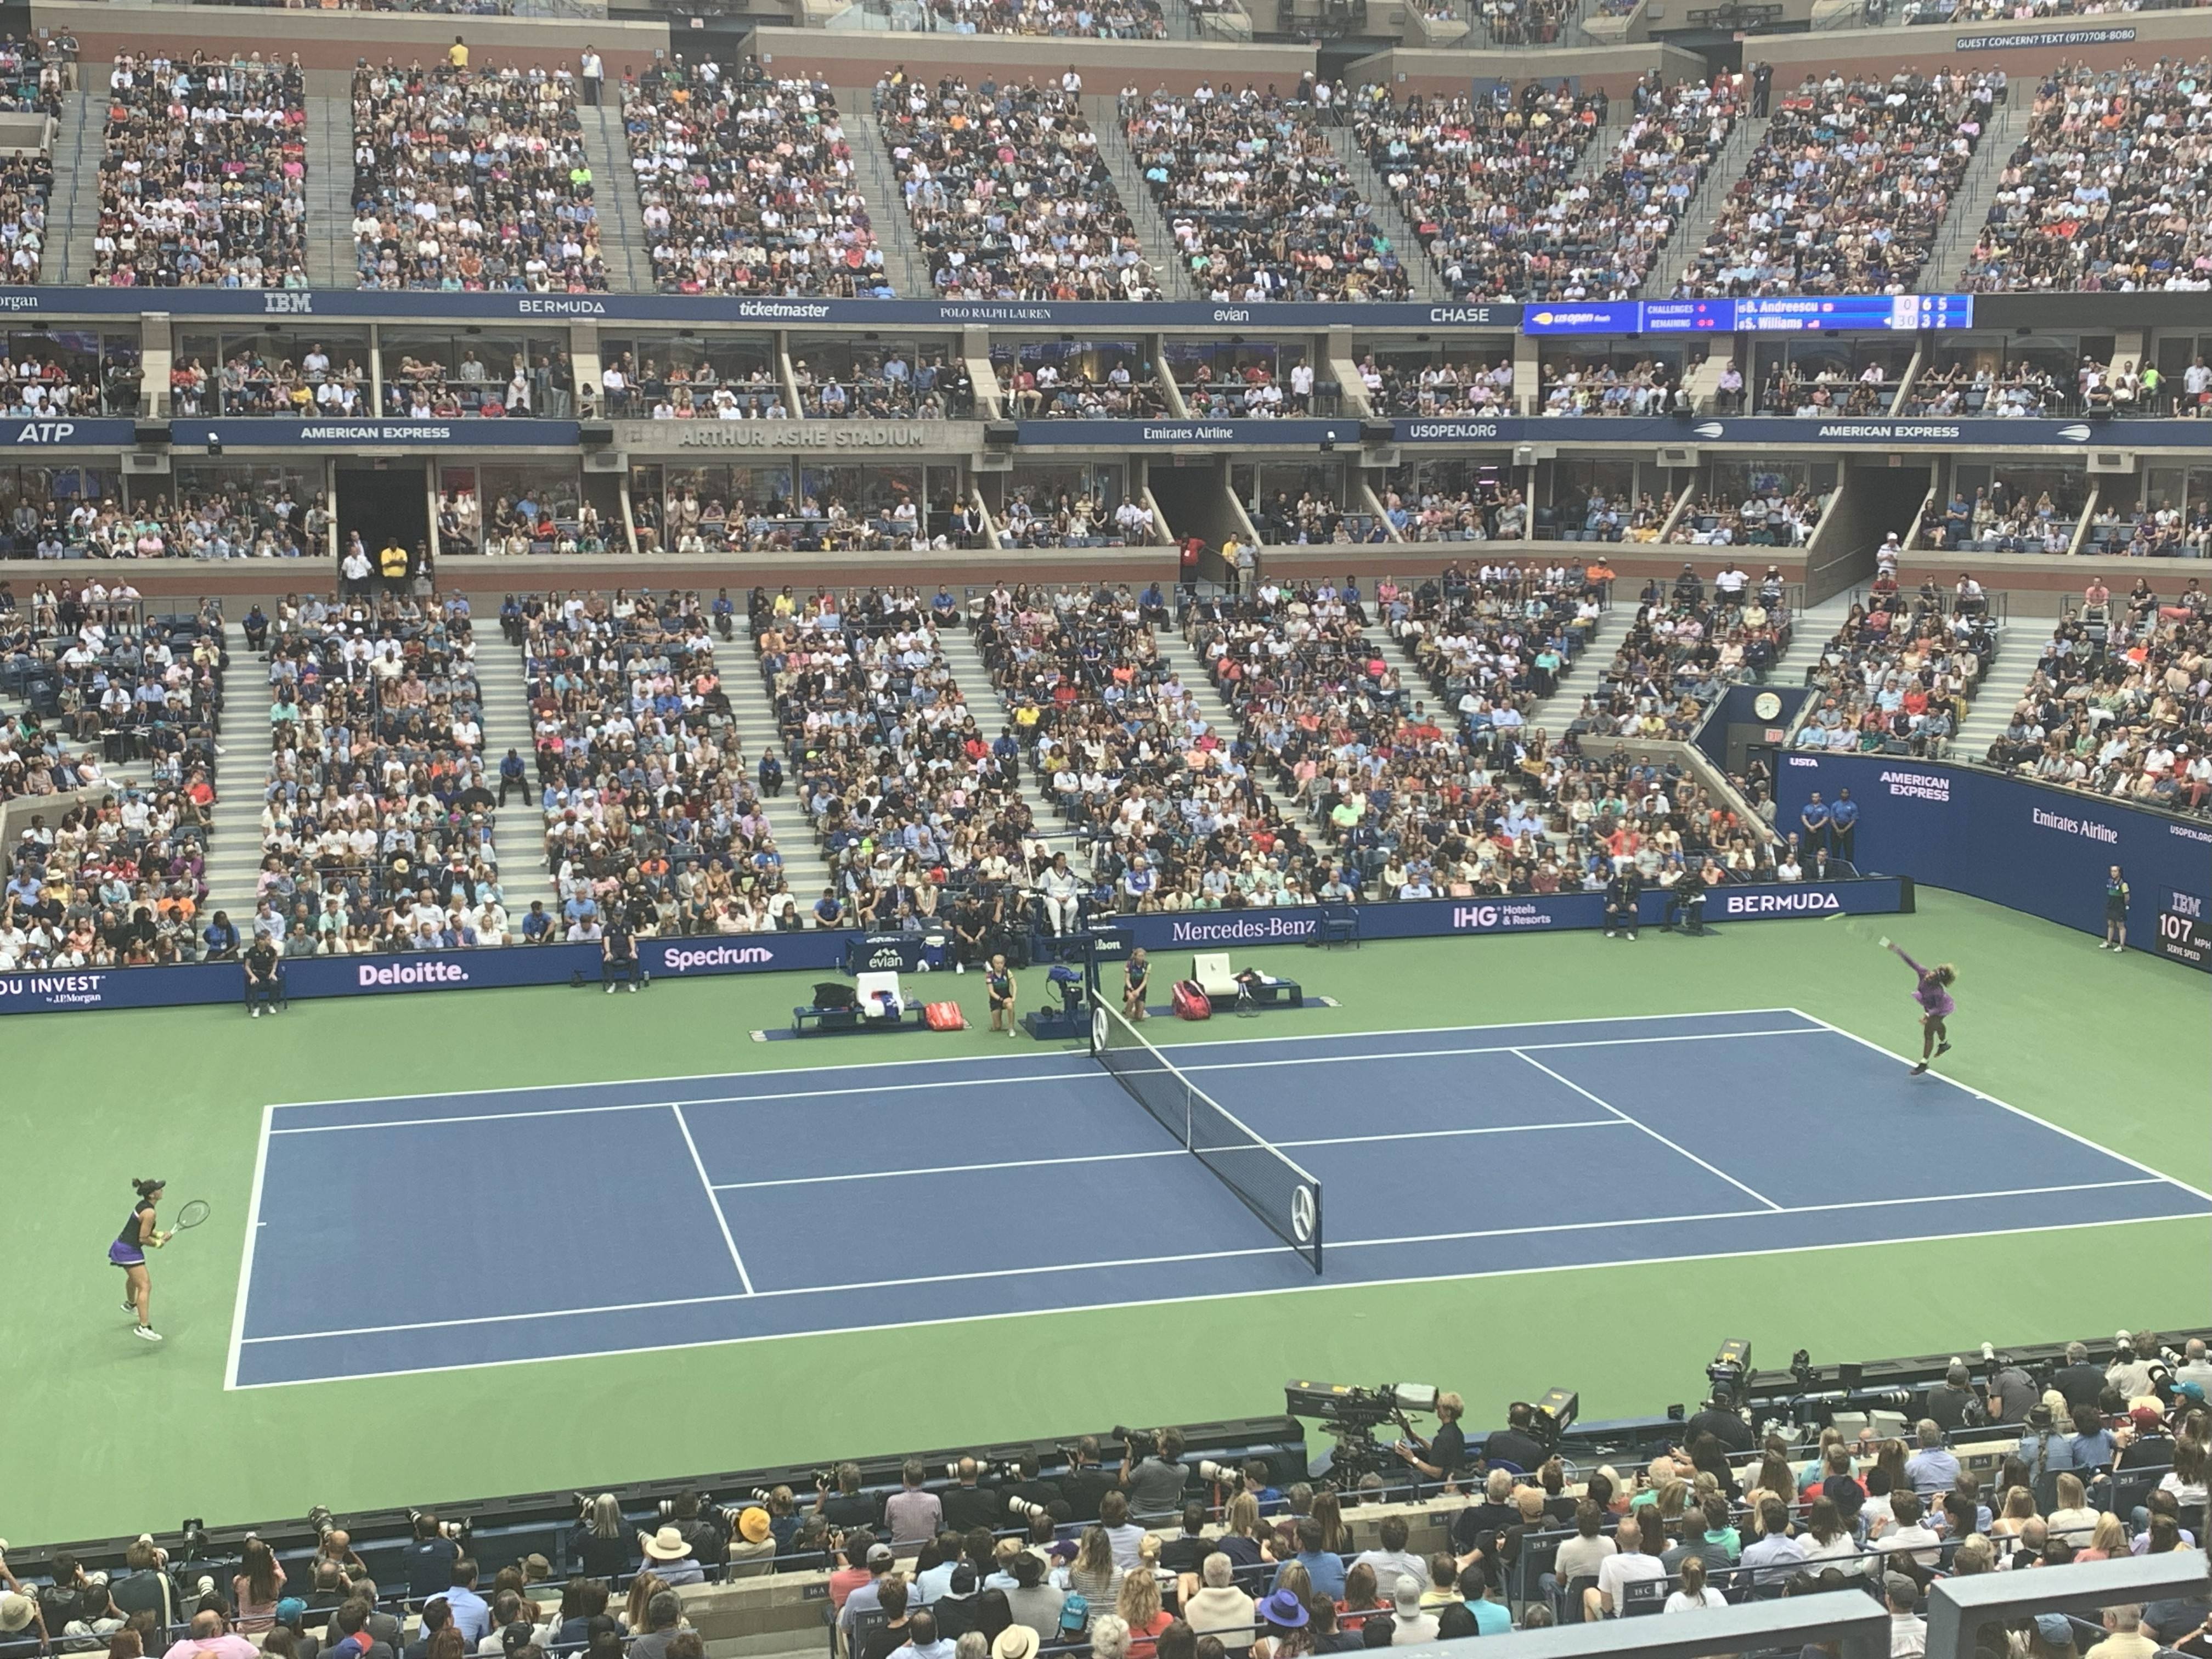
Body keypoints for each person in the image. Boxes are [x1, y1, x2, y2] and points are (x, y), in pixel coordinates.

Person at [1882, 938, 1956, 1075]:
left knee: (1929, 1032)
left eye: (1933, 977)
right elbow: (1911, 962)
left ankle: (1924, 1063)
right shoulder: (1923, 972)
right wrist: (1897, 949)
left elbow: (1938, 1009)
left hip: (1940, 1008)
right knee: (1937, 1025)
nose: (1929, 976)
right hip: (1930, 1004)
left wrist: (1928, 1015)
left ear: (1937, 981)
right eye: (1931, 972)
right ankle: (1944, 1043)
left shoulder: (1937, 992)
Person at [109, 1176, 168, 1342]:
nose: (161, 1190)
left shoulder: (144, 1207)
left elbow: (143, 1229)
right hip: (128, 1251)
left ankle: (130, 1305)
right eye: (158, 1188)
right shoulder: (150, 1212)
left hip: (123, 1246)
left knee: (135, 1279)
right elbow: (143, 1238)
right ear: (152, 1195)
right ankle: (144, 1327)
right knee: (145, 1285)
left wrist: (160, 1234)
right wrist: (158, 1243)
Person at [244, 929, 282, 1017]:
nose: (266, 941)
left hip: (268, 974)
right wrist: (252, 976)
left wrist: (273, 972)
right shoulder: (252, 951)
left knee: (274, 984)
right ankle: (256, 1007)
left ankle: (271, 1005)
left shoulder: (271, 950)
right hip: (256, 974)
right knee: (254, 985)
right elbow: (247, 966)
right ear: (258, 941)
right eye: (263, 939)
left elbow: (275, 961)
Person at [1603, 864, 1642, 940]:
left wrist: (1634, 903)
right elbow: (1611, 894)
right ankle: (1613, 930)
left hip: (1629, 903)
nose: (1628, 875)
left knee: (1634, 910)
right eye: (1626, 873)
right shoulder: (1616, 882)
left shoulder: (1635, 882)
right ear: (1623, 874)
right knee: (1612, 910)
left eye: (1629, 873)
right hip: (1618, 903)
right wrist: (1613, 903)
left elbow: (1638, 896)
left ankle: (1631, 932)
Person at [602, 919, 639, 992]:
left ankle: (632, 983)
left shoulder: (627, 925)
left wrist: (633, 951)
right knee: (608, 960)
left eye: (620, 915)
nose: (618, 917)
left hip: (625, 950)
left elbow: (631, 939)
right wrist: (608, 952)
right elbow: (606, 940)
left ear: (622, 916)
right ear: (613, 916)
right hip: (614, 950)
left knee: (634, 959)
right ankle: (612, 984)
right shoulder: (608, 926)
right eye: (616, 915)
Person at [984, 953, 1017, 1036]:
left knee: (1010, 1005)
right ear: (993, 964)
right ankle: (997, 1024)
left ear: (1004, 963)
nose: (999, 965)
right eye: (997, 963)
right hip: (996, 1001)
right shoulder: (989, 975)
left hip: (1007, 999)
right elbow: (991, 992)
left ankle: (1011, 1028)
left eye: (1001, 963)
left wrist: (1013, 998)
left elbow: (1014, 985)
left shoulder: (1007, 972)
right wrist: (1001, 1000)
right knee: (997, 1027)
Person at [2102, 865, 2130, 952]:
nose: (2113, 873)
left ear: (2119, 873)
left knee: (2120, 925)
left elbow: (2127, 897)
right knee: (2110, 923)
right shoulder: (2110, 882)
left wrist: (2125, 905)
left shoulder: (2124, 884)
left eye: (2115, 871)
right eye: (2112, 871)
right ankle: (2109, 942)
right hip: (2111, 905)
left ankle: (2122, 946)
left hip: (2119, 906)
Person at [1122, 947, 1151, 1022]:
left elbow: (1145, 981)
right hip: (1130, 987)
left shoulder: (1147, 965)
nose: (1141, 958)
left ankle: (1132, 1009)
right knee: (1132, 998)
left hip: (1141, 989)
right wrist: (1132, 989)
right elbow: (1127, 980)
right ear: (1135, 956)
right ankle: (1127, 1015)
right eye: (1140, 956)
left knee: (1139, 1018)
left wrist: (1138, 991)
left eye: (1143, 956)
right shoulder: (1129, 964)